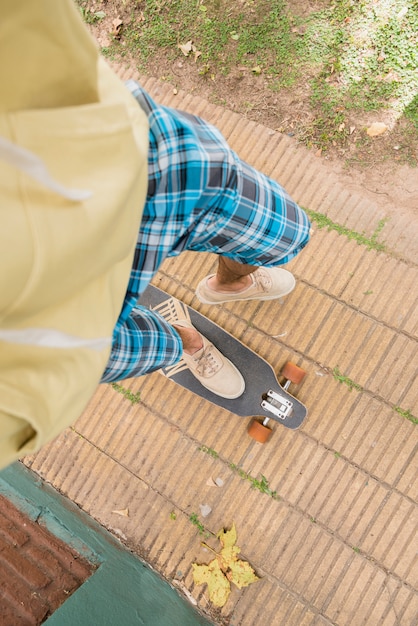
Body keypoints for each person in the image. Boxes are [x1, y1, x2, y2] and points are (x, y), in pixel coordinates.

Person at [0, 1, 309, 469]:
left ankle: (227, 284)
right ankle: (188, 343)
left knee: (289, 236)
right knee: (147, 346)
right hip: (49, 335)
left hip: (134, 157)